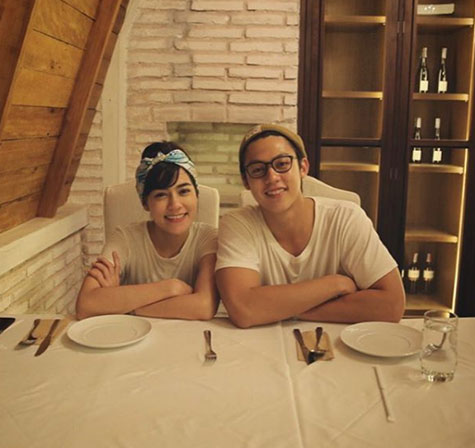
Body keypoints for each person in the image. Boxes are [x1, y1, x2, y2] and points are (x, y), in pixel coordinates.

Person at [215, 124, 405, 328]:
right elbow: (243, 310)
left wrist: (280, 309)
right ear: (246, 181)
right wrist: (335, 284)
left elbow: (392, 305)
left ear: (303, 167)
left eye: (282, 164)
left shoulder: (346, 218)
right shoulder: (237, 224)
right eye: (258, 170)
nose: (272, 177)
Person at [76, 142, 218, 321]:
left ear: (196, 195)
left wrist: (122, 305)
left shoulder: (208, 238)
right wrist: (171, 287)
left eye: (183, 191)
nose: (175, 205)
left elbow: (204, 307)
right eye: (161, 195)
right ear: (145, 203)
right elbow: (86, 305)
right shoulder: (124, 238)